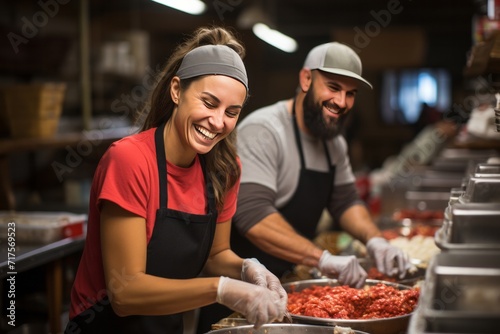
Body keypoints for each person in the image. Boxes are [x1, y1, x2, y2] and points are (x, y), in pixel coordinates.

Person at [64, 26, 287, 334]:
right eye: (209, 103)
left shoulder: (224, 169)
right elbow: (124, 294)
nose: (219, 122)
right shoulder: (129, 161)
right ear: (177, 90)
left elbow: (215, 255)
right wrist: (222, 289)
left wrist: (247, 269)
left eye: (232, 112)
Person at [230, 42, 412, 288]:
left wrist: (375, 240)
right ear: (306, 79)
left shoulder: (333, 142)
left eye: (350, 93)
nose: (341, 101)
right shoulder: (264, 131)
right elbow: (252, 215)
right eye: (333, 87)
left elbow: (346, 201)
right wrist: (321, 258)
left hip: (288, 279)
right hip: (242, 286)